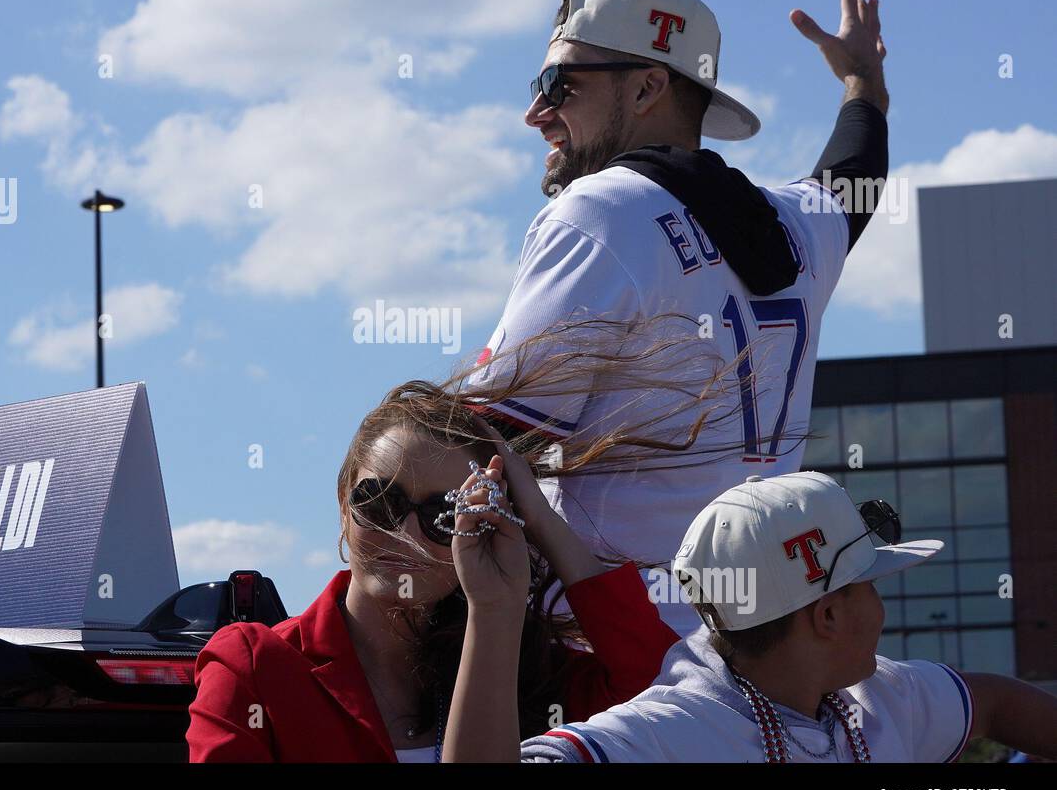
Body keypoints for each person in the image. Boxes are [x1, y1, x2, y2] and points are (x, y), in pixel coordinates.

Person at [467, 0, 891, 634]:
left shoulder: (602, 210)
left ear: (645, 87)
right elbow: (855, 174)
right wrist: (865, 84)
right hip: (758, 645)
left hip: (612, 657)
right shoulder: (797, 225)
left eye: (559, 84)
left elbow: (481, 446)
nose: (536, 112)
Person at [186, 320, 727, 761]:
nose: (401, 533)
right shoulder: (254, 664)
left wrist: (539, 518)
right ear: (341, 502)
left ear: (485, 529)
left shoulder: (530, 677)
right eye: (379, 501)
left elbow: (664, 693)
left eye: (443, 514)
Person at [441, 472, 1057, 763]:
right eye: (868, 583)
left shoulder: (874, 696)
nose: (881, 606)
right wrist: (492, 611)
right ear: (829, 614)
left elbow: (998, 703)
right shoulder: (666, 732)